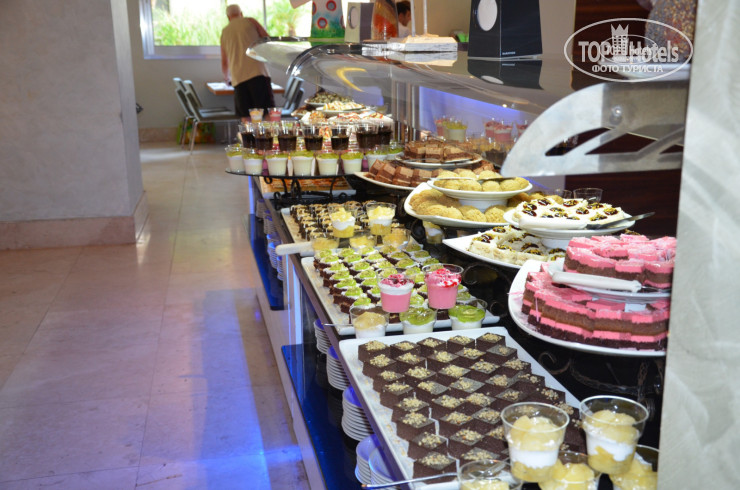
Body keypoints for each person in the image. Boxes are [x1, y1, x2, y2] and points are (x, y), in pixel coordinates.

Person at [220, 4, 274, 122]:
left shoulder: (224, 32)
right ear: (241, 14)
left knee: (246, 117)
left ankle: (248, 135)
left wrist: (226, 78)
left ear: (228, 17)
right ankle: (272, 134)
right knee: (267, 114)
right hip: (258, 73)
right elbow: (267, 39)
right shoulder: (250, 22)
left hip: (238, 78)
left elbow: (224, 61)